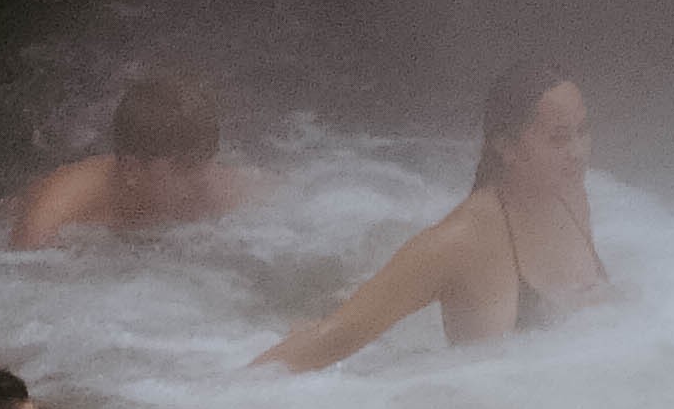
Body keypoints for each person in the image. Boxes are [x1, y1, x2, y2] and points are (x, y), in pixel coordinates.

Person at [253, 62, 611, 372]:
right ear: (506, 146)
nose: (578, 151)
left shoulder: (570, 197)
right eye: (559, 139)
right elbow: (337, 336)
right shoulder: (462, 242)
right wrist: (219, 401)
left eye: (584, 131)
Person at [9, 70, 249, 248]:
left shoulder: (217, 187)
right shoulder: (58, 209)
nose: (201, 179)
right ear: (133, 169)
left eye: (205, 162)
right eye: (184, 168)